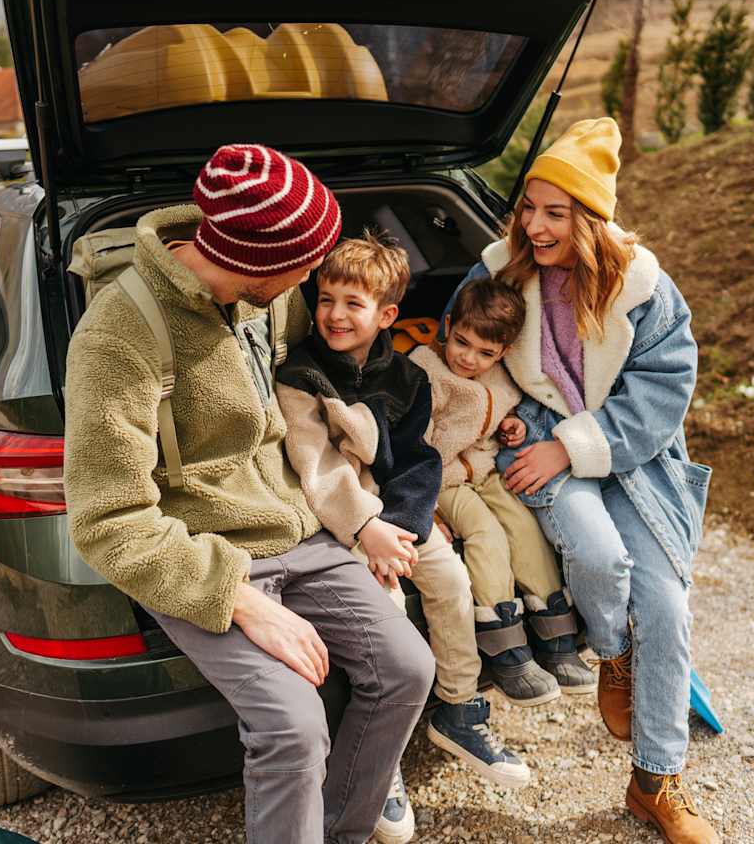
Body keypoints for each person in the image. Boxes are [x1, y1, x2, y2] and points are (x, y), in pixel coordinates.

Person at [63, 143, 435, 844]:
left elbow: (326, 378)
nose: (314, 283)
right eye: (307, 268)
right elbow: (108, 520)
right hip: (204, 557)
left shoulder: (269, 300)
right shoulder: (119, 336)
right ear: (261, 262)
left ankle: (340, 831)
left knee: (408, 669)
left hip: (299, 530)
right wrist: (240, 600)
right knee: (292, 729)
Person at [442, 118, 719, 844]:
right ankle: (614, 654)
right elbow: (467, 357)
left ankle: (657, 781)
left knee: (664, 605)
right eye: (528, 208)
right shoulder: (498, 271)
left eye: (554, 213)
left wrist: (575, 447)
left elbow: (663, 392)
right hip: (533, 448)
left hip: (631, 460)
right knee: (598, 560)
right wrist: (503, 428)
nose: (534, 225)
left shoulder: (646, 289)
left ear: (590, 219)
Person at [275, 234, 531, 842]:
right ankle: (380, 761)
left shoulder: (406, 376)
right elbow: (318, 467)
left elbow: (419, 461)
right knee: (386, 614)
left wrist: (410, 526)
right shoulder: (300, 373)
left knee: (451, 580)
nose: (336, 314)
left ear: (387, 315)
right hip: (343, 521)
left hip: (398, 517)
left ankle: (458, 708)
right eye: (327, 299)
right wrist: (369, 531)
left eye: (353, 304)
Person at [408, 277, 596, 705]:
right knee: (486, 536)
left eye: (485, 352)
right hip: (442, 479)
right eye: (462, 342)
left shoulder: (501, 375)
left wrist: (514, 427)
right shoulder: (426, 370)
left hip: (486, 469)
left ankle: (556, 634)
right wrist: (425, 505)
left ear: (504, 351)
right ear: (449, 325)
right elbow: (415, 444)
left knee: (523, 527)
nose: (469, 358)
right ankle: (504, 645)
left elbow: (500, 414)